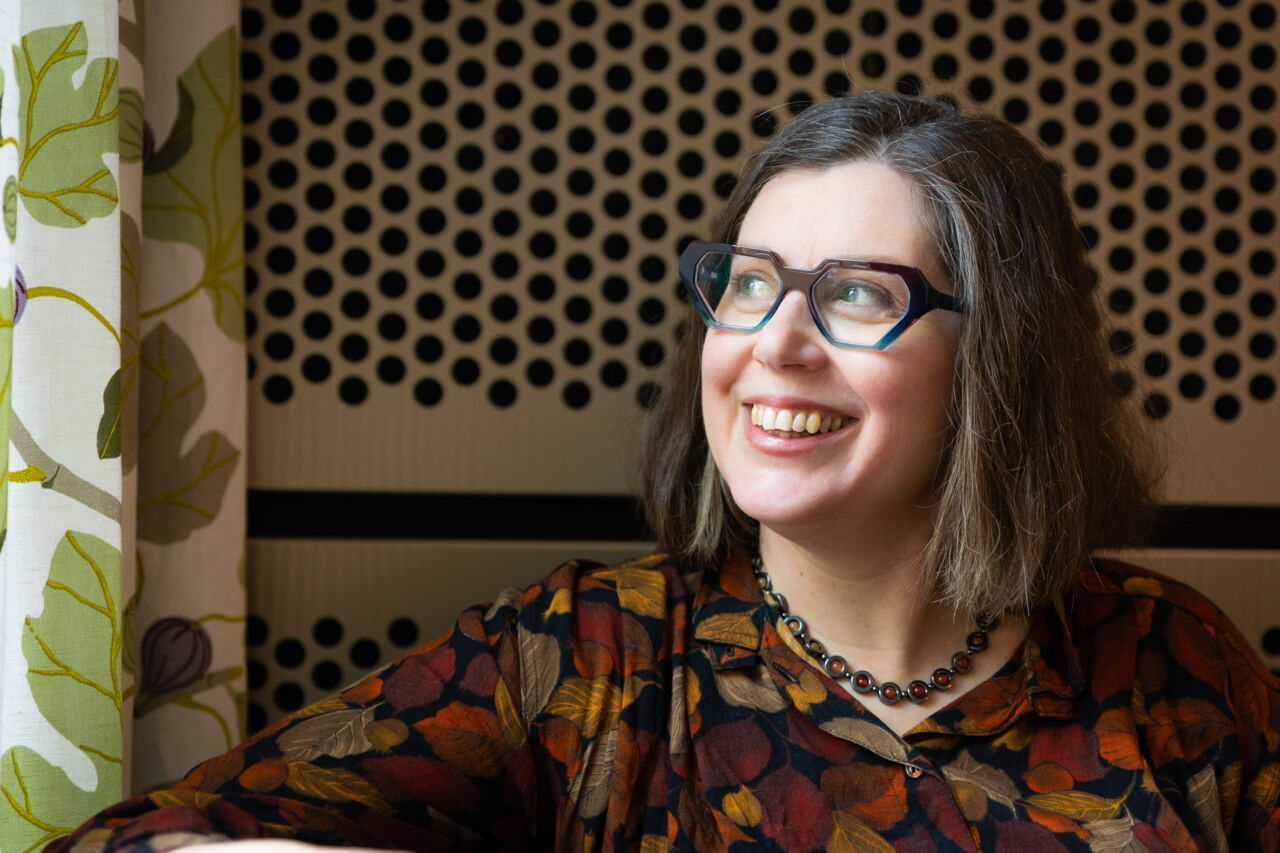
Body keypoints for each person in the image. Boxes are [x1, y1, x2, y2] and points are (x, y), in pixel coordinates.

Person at [52, 92, 1280, 852]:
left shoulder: (1175, 669)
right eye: (747, 285)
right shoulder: (587, 663)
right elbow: (128, 847)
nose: (771, 343)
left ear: (998, 358)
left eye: (854, 294)